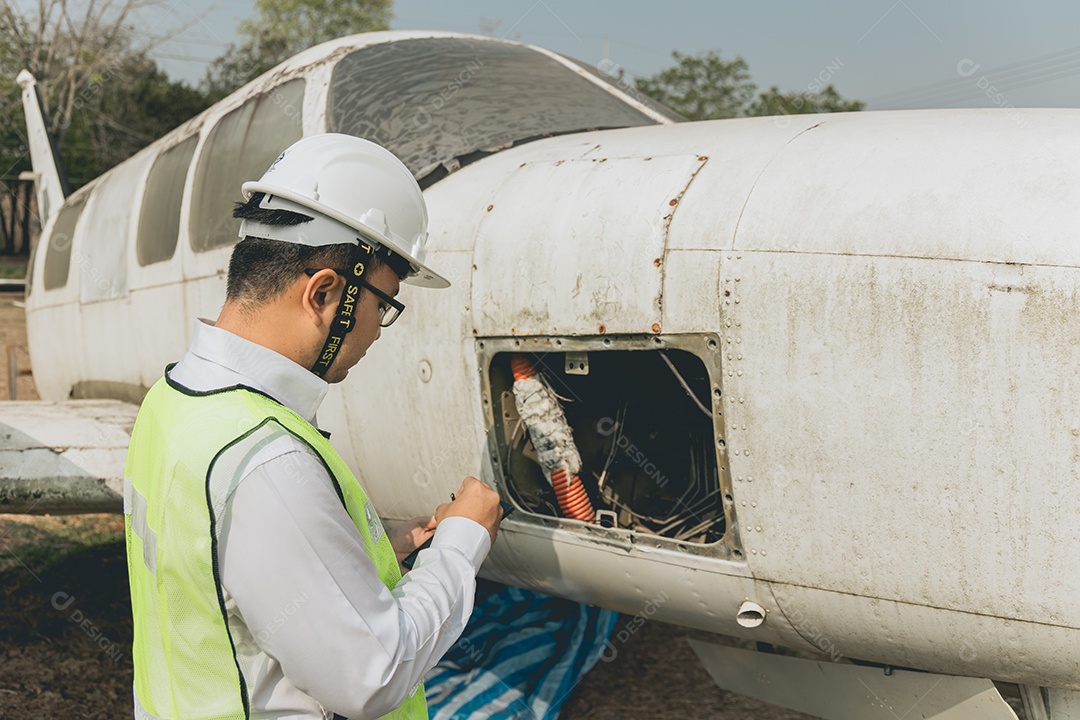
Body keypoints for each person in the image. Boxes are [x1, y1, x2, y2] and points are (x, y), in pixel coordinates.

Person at [123, 133, 504, 720]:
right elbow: (372, 675)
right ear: (324, 291)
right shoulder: (268, 461)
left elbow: (219, 571)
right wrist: (461, 544)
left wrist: (366, 555)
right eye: (384, 305)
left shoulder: (174, 398)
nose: (378, 330)